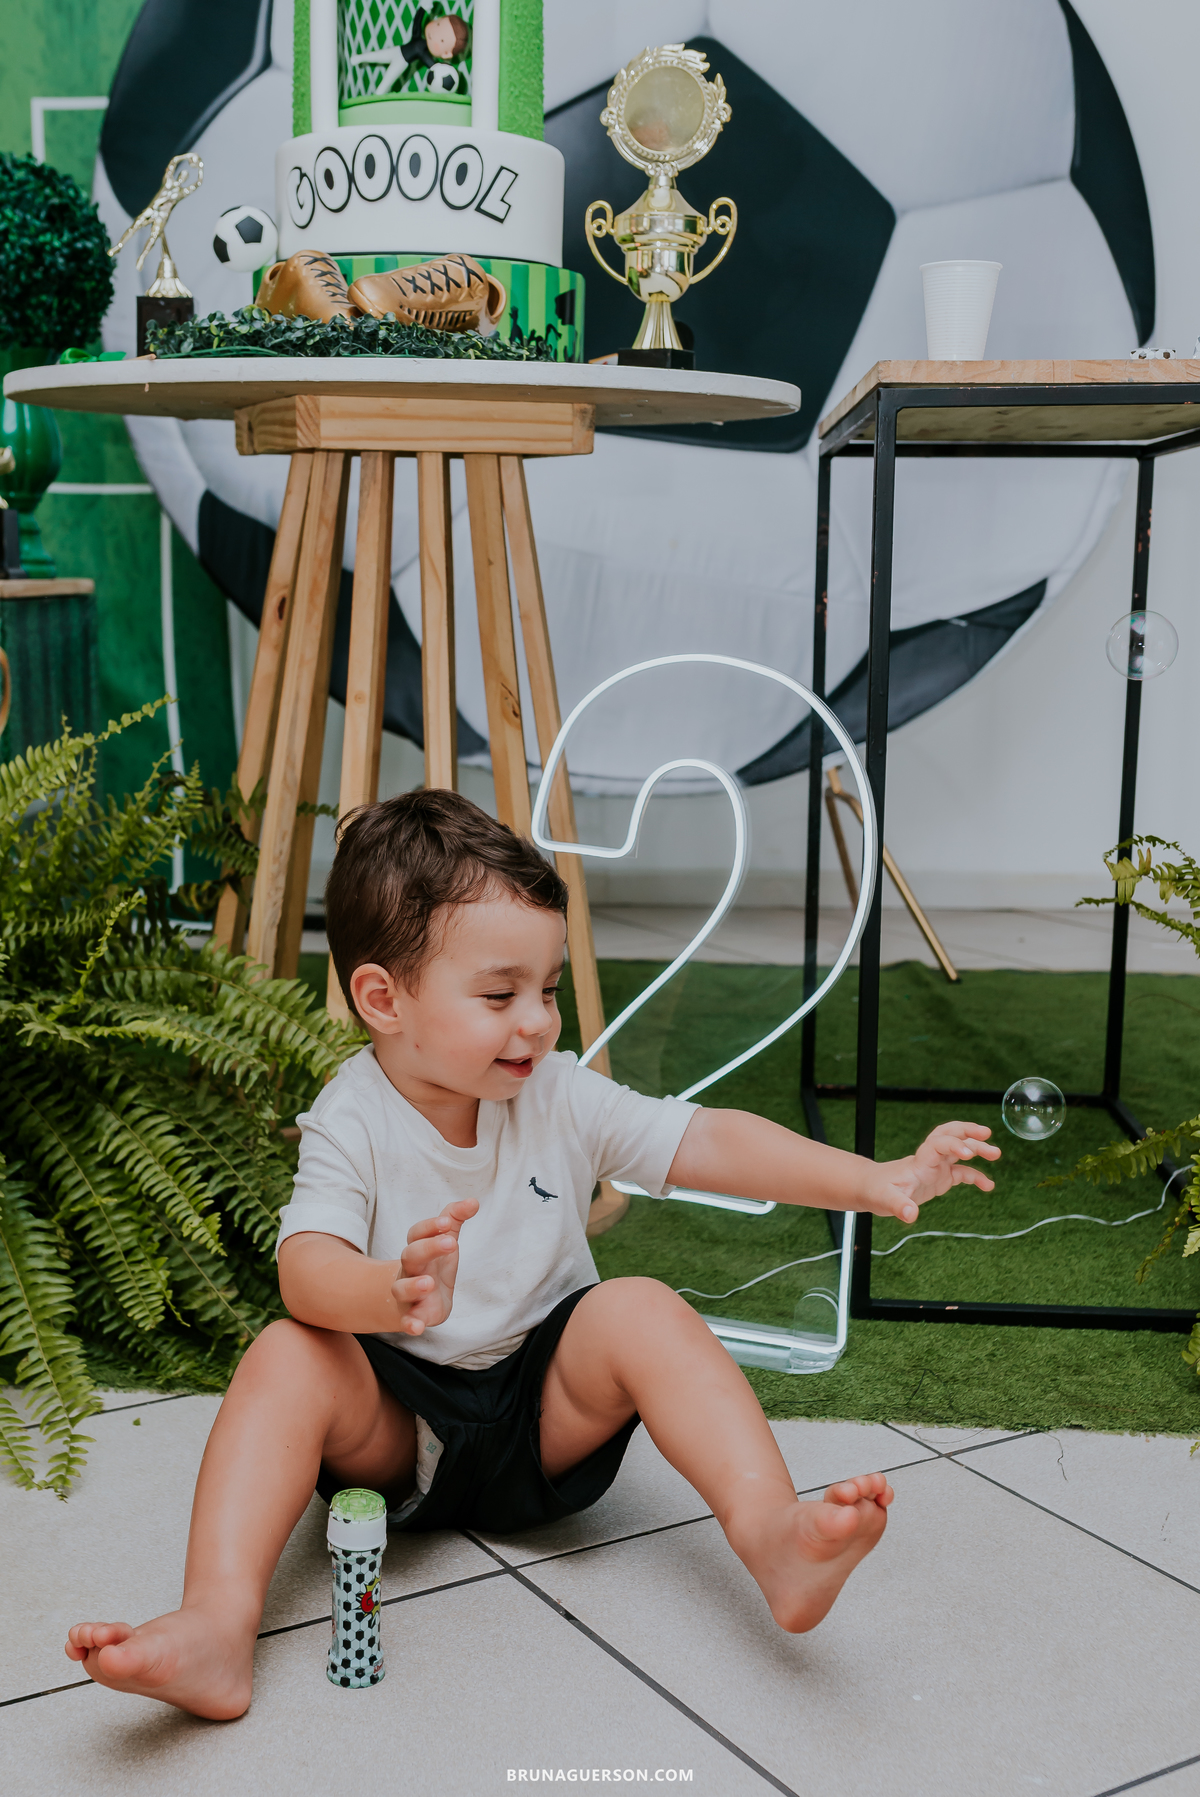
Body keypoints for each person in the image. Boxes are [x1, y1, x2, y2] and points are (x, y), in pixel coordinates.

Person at [65, 791, 1000, 1719]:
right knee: (283, 1351)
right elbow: (304, 1268)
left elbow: (701, 1139)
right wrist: (387, 1291)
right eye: (500, 994)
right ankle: (217, 1627)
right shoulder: (350, 1115)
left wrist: (872, 1178)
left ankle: (775, 1541)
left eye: (547, 990)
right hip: (401, 1433)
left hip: (545, 1416)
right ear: (383, 999)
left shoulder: (556, 1091)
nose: (539, 1021)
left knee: (640, 1305)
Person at [350, 8, 470, 97]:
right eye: (438, 24)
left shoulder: (424, 54)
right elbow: (416, 23)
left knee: (388, 79)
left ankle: (376, 96)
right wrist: (422, 8)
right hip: (397, 50)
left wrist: (446, 70)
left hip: (402, 62)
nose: (434, 34)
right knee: (377, 55)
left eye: (442, 40)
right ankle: (360, 58)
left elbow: (433, 66)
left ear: (446, 54)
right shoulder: (418, 39)